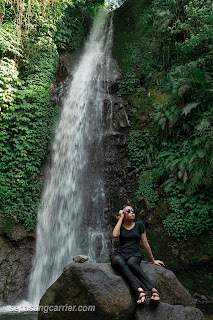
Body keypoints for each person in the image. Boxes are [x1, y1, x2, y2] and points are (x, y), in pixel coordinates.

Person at [110, 205, 165, 305]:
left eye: (133, 211)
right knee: (119, 261)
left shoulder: (139, 225)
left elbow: (145, 243)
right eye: (128, 211)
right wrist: (120, 218)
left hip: (134, 254)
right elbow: (114, 235)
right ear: (123, 213)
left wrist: (153, 260)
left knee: (131, 263)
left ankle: (153, 290)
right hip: (121, 254)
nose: (132, 212)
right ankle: (140, 290)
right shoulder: (120, 226)